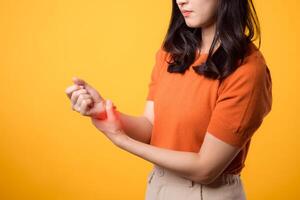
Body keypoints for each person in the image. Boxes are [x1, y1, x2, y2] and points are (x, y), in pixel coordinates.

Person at [64, 0, 272, 199]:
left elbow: (205, 169)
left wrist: (121, 140)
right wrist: (103, 112)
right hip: (159, 187)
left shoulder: (247, 70)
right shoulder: (171, 54)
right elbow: (150, 128)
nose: (181, 1)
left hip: (208, 194)